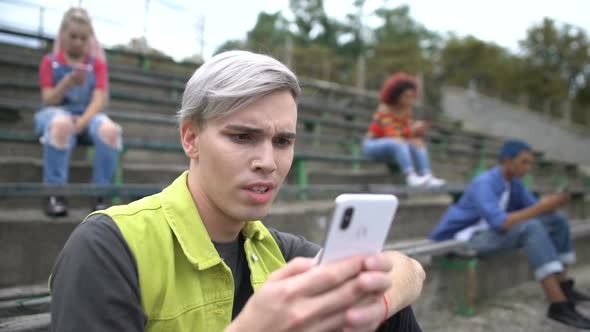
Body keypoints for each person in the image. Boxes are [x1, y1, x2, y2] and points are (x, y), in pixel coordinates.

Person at [49, 50, 426, 331]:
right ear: (191, 138)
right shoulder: (107, 246)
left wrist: (374, 306)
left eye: (282, 141)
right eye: (243, 137)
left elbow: (410, 269)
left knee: (392, 315)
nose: (268, 161)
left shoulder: (275, 248)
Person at [429, 139, 590, 329]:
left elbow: (534, 209)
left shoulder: (514, 183)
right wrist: (541, 206)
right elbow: (501, 222)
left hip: (490, 233)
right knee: (531, 228)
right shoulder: (485, 182)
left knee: (558, 220)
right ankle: (558, 305)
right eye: (524, 162)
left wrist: (553, 203)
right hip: (465, 238)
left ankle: (564, 287)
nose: (528, 168)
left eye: (530, 162)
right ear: (508, 160)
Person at [35, 7, 122, 217]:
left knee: (110, 131)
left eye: (83, 38)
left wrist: (82, 121)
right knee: (61, 125)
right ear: (63, 35)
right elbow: (48, 99)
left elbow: (99, 99)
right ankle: (55, 194)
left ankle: (100, 195)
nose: (78, 42)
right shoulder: (50, 62)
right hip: (54, 111)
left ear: (89, 39)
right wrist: (65, 83)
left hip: (86, 114)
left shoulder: (97, 65)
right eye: (73, 36)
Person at [362, 72, 445, 188]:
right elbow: (391, 134)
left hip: (395, 143)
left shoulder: (407, 110)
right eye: (406, 96)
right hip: (372, 145)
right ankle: (410, 176)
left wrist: (418, 132)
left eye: (412, 96)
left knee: (418, 144)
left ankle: (427, 175)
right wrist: (411, 129)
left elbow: (407, 135)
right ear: (396, 95)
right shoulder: (384, 109)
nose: (410, 100)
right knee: (400, 143)